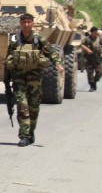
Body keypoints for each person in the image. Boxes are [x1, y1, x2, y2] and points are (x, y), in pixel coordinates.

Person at [5, 13, 63, 146]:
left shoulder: (38, 39)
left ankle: (31, 131)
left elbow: (50, 52)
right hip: (19, 79)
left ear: (32, 24)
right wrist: (7, 78)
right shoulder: (14, 39)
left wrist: (57, 63)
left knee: (34, 108)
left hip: (35, 79)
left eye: (28, 22)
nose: (26, 25)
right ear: (20, 23)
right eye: (24, 22)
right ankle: (24, 136)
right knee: (22, 106)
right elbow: (8, 57)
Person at [81, 26, 102, 91]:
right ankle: (92, 86)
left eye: (96, 32)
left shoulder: (99, 39)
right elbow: (81, 45)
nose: (96, 33)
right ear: (91, 32)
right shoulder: (87, 39)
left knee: (100, 72)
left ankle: (95, 81)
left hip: (98, 57)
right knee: (90, 73)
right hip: (89, 58)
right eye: (95, 32)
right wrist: (87, 50)